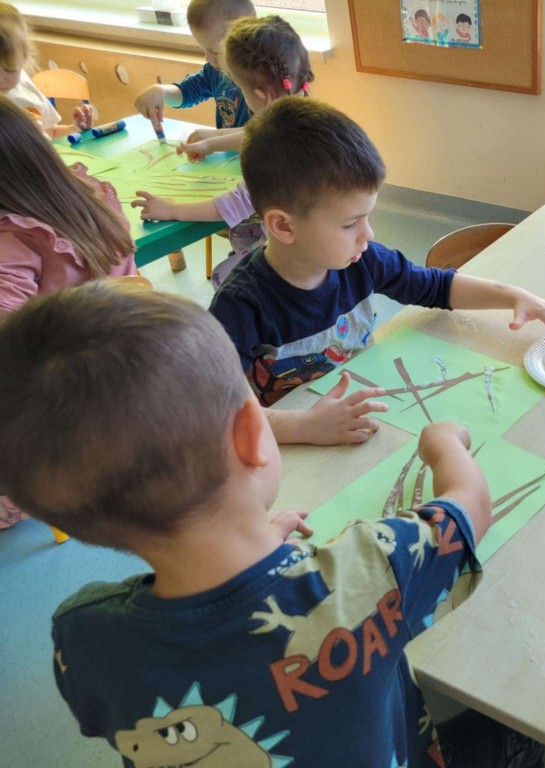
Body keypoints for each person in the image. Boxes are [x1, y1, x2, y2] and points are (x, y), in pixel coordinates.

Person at [0, 281, 543, 767]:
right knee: (518, 723)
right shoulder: (370, 568)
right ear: (250, 434)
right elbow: (470, 506)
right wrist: (444, 443)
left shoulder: (80, 633)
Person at [209, 96, 545, 445]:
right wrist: (305, 426)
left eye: (368, 217)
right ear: (283, 226)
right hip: (288, 444)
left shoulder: (362, 260)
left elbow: (436, 287)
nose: (368, 234)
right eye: (350, 224)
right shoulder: (239, 306)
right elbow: (221, 412)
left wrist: (513, 296)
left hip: (361, 414)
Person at [0, 95, 137, 529]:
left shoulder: (14, 238)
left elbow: (9, 339)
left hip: (74, 409)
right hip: (139, 367)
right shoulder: (88, 195)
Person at [132, 15, 312, 285]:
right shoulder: (307, 117)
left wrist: (172, 210)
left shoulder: (274, 153)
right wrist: (212, 141)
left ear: (261, 96)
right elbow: (258, 132)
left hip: (297, 258)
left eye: (241, 90)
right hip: (325, 242)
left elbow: (228, 207)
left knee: (224, 279)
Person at [133, 0, 255, 141]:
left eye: (215, 51)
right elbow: (188, 91)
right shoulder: (216, 71)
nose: (207, 57)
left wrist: (213, 139)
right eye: (203, 48)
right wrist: (161, 91)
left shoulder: (264, 81)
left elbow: (263, 133)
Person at [0, 3, 95, 137]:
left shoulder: (25, 89)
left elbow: (52, 132)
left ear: (23, 59)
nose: (1, 79)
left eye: (10, 69)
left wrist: (75, 128)